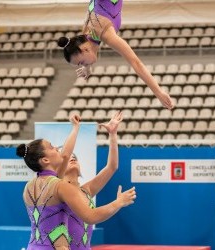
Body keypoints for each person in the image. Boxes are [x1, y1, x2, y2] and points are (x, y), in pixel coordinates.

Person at [16, 114, 136, 250]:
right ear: (45, 160)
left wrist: (76, 128)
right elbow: (91, 216)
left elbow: (67, 155)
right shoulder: (60, 186)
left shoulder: (29, 187)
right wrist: (118, 202)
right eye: (51, 147)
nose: (57, 148)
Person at [57, 0, 174, 110]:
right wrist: (86, 67)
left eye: (81, 63)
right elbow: (91, 52)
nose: (83, 65)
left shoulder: (106, 34)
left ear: (85, 50)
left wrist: (158, 93)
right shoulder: (86, 36)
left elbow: (136, 63)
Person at [63, 111, 123, 249]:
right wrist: (75, 127)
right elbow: (91, 216)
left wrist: (113, 135)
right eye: (69, 158)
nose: (72, 158)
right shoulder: (58, 190)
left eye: (75, 158)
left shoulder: (86, 190)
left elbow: (111, 167)